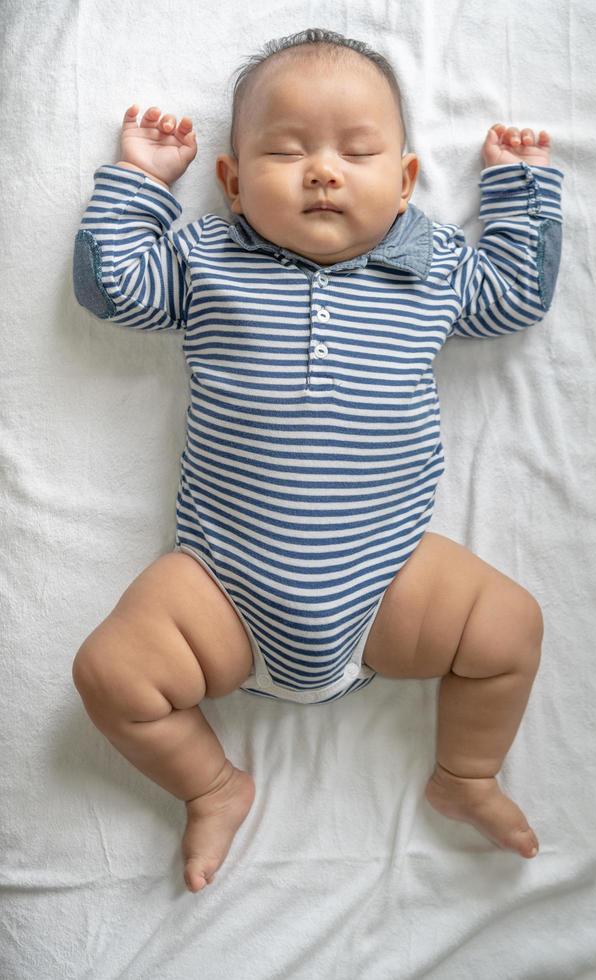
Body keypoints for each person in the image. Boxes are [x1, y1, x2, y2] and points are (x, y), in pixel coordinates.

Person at [71, 27, 563, 893]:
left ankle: (467, 774)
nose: (323, 170)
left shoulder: (434, 264)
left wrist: (518, 191)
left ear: (406, 181)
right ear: (230, 182)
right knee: (108, 673)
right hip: (222, 583)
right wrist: (141, 182)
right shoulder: (206, 254)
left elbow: (514, 298)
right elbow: (114, 289)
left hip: (387, 578)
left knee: (510, 627)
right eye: (285, 150)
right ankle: (212, 784)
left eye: (358, 151)